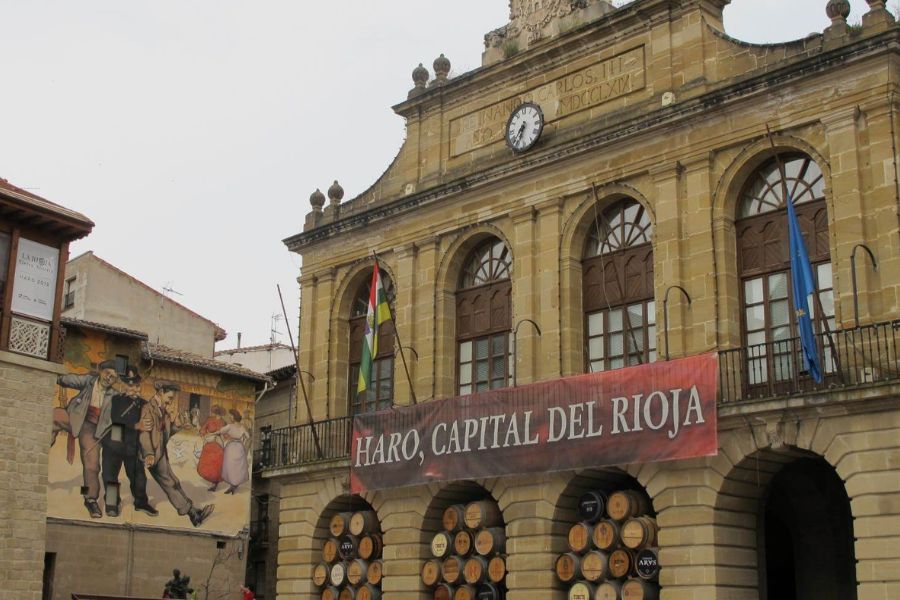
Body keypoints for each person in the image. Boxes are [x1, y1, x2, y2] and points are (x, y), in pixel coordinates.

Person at [139, 381, 213, 527]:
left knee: (174, 481)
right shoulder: (148, 408)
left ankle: (194, 512)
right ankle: (192, 514)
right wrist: (148, 454)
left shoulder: (164, 411)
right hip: (151, 454)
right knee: (169, 483)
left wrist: (177, 426)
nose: (171, 401)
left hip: (160, 452)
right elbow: (144, 434)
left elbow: (165, 434)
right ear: (161, 392)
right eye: (170, 397)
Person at [51, 360, 119, 519]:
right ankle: (42, 445)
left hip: (92, 429)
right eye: (107, 374)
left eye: (113, 377)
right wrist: (54, 375)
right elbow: (69, 379)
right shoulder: (88, 381)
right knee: (55, 415)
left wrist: (115, 438)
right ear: (101, 371)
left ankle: (90, 498)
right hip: (75, 417)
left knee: (92, 465)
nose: (109, 378)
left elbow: (119, 419)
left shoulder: (115, 396)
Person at [102, 366, 157, 517]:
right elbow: (116, 420)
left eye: (137, 385)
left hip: (132, 446)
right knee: (110, 475)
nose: (134, 388)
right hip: (114, 443)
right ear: (124, 386)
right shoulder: (117, 400)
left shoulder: (143, 404)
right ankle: (112, 504)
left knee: (138, 476)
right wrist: (136, 426)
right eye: (130, 385)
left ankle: (141, 503)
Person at [219, 409, 250, 494]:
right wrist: (243, 442)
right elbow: (248, 436)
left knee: (231, 466)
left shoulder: (230, 426)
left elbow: (221, 431)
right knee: (236, 467)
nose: (230, 417)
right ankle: (233, 486)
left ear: (234, 416)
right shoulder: (242, 427)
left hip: (232, 447)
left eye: (231, 415)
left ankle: (233, 486)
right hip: (239, 447)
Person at [196, 406, 226, 491]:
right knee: (208, 462)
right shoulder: (210, 419)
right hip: (209, 443)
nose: (217, 414)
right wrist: (204, 435)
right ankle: (211, 480)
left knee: (217, 463)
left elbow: (226, 433)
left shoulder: (223, 422)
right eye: (217, 412)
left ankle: (215, 483)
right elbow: (203, 429)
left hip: (219, 443)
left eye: (219, 412)